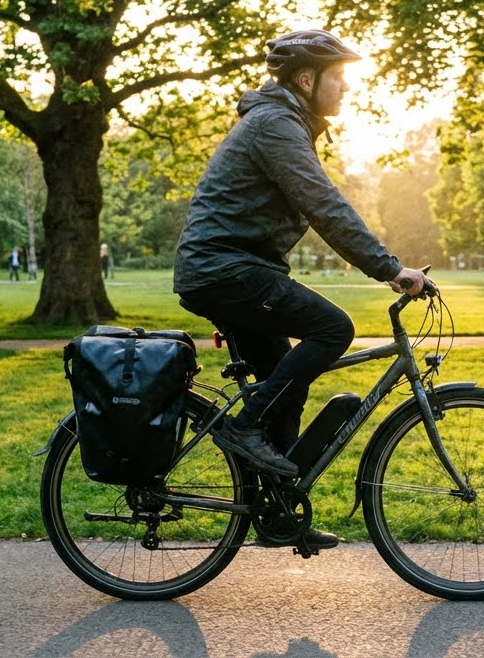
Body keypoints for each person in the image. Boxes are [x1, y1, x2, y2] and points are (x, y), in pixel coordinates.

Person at [173, 29, 426, 549]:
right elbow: (324, 204)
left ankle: (278, 512)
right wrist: (389, 269)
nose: (347, 88)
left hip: (232, 270)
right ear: (307, 79)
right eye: (339, 77)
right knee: (333, 327)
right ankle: (244, 429)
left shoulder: (285, 123)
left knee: (285, 391)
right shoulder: (275, 125)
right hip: (223, 270)